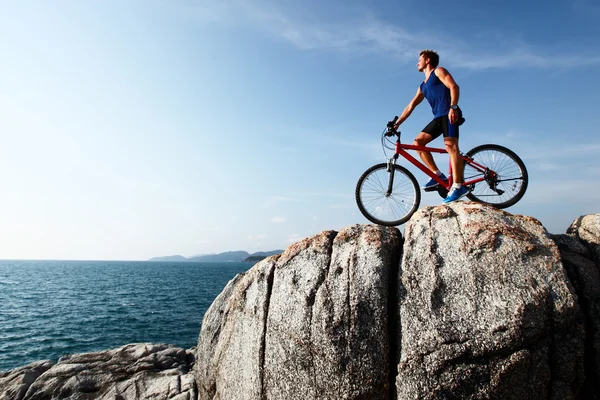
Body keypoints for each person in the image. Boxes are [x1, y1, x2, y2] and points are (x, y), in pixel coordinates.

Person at [393, 49, 468, 203]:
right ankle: (437, 174)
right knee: (418, 143)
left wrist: (453, 107)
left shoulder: (438, 72)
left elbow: (454, 87)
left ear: (427, 60)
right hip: (438, 117)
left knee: (451, 147)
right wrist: (397, 124)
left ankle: (459, 186)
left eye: (419, 59)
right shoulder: (422, 86)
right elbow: (410, 106)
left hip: (449, 113)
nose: (417, 62)